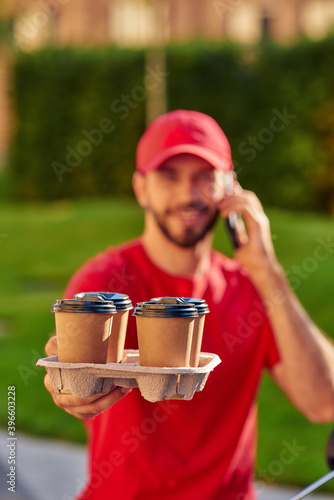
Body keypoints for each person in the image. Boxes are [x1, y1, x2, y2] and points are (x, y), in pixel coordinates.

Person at [44, 109, 334, 500]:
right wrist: (67, 387)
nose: (188, 194)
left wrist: (268, 271)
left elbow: (324, 403)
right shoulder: (106, 284)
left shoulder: (253, 287)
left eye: (204, 176)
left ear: (229, 188)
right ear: (141, 188)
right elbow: (70, 377)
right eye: (169, 176)